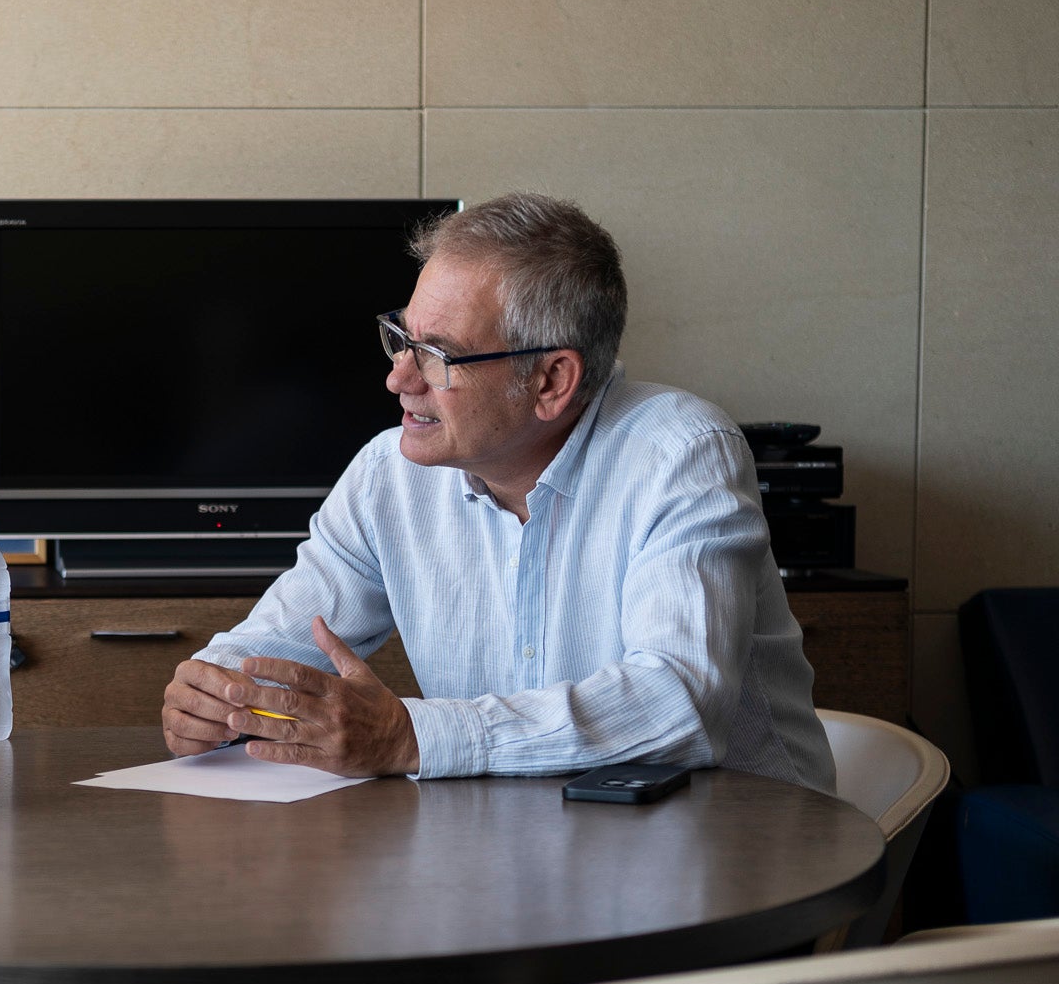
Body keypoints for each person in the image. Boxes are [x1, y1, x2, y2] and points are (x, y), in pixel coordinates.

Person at [161, 192, 834, 791]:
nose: (399, 379)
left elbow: (675, 702)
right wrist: (215, 693)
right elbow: (276, 652)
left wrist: (413, 736)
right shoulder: (388, 476)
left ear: (551, 381)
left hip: (741, 863)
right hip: (516, 857)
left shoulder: (682, 455)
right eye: (400, 338)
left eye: (439, 354)